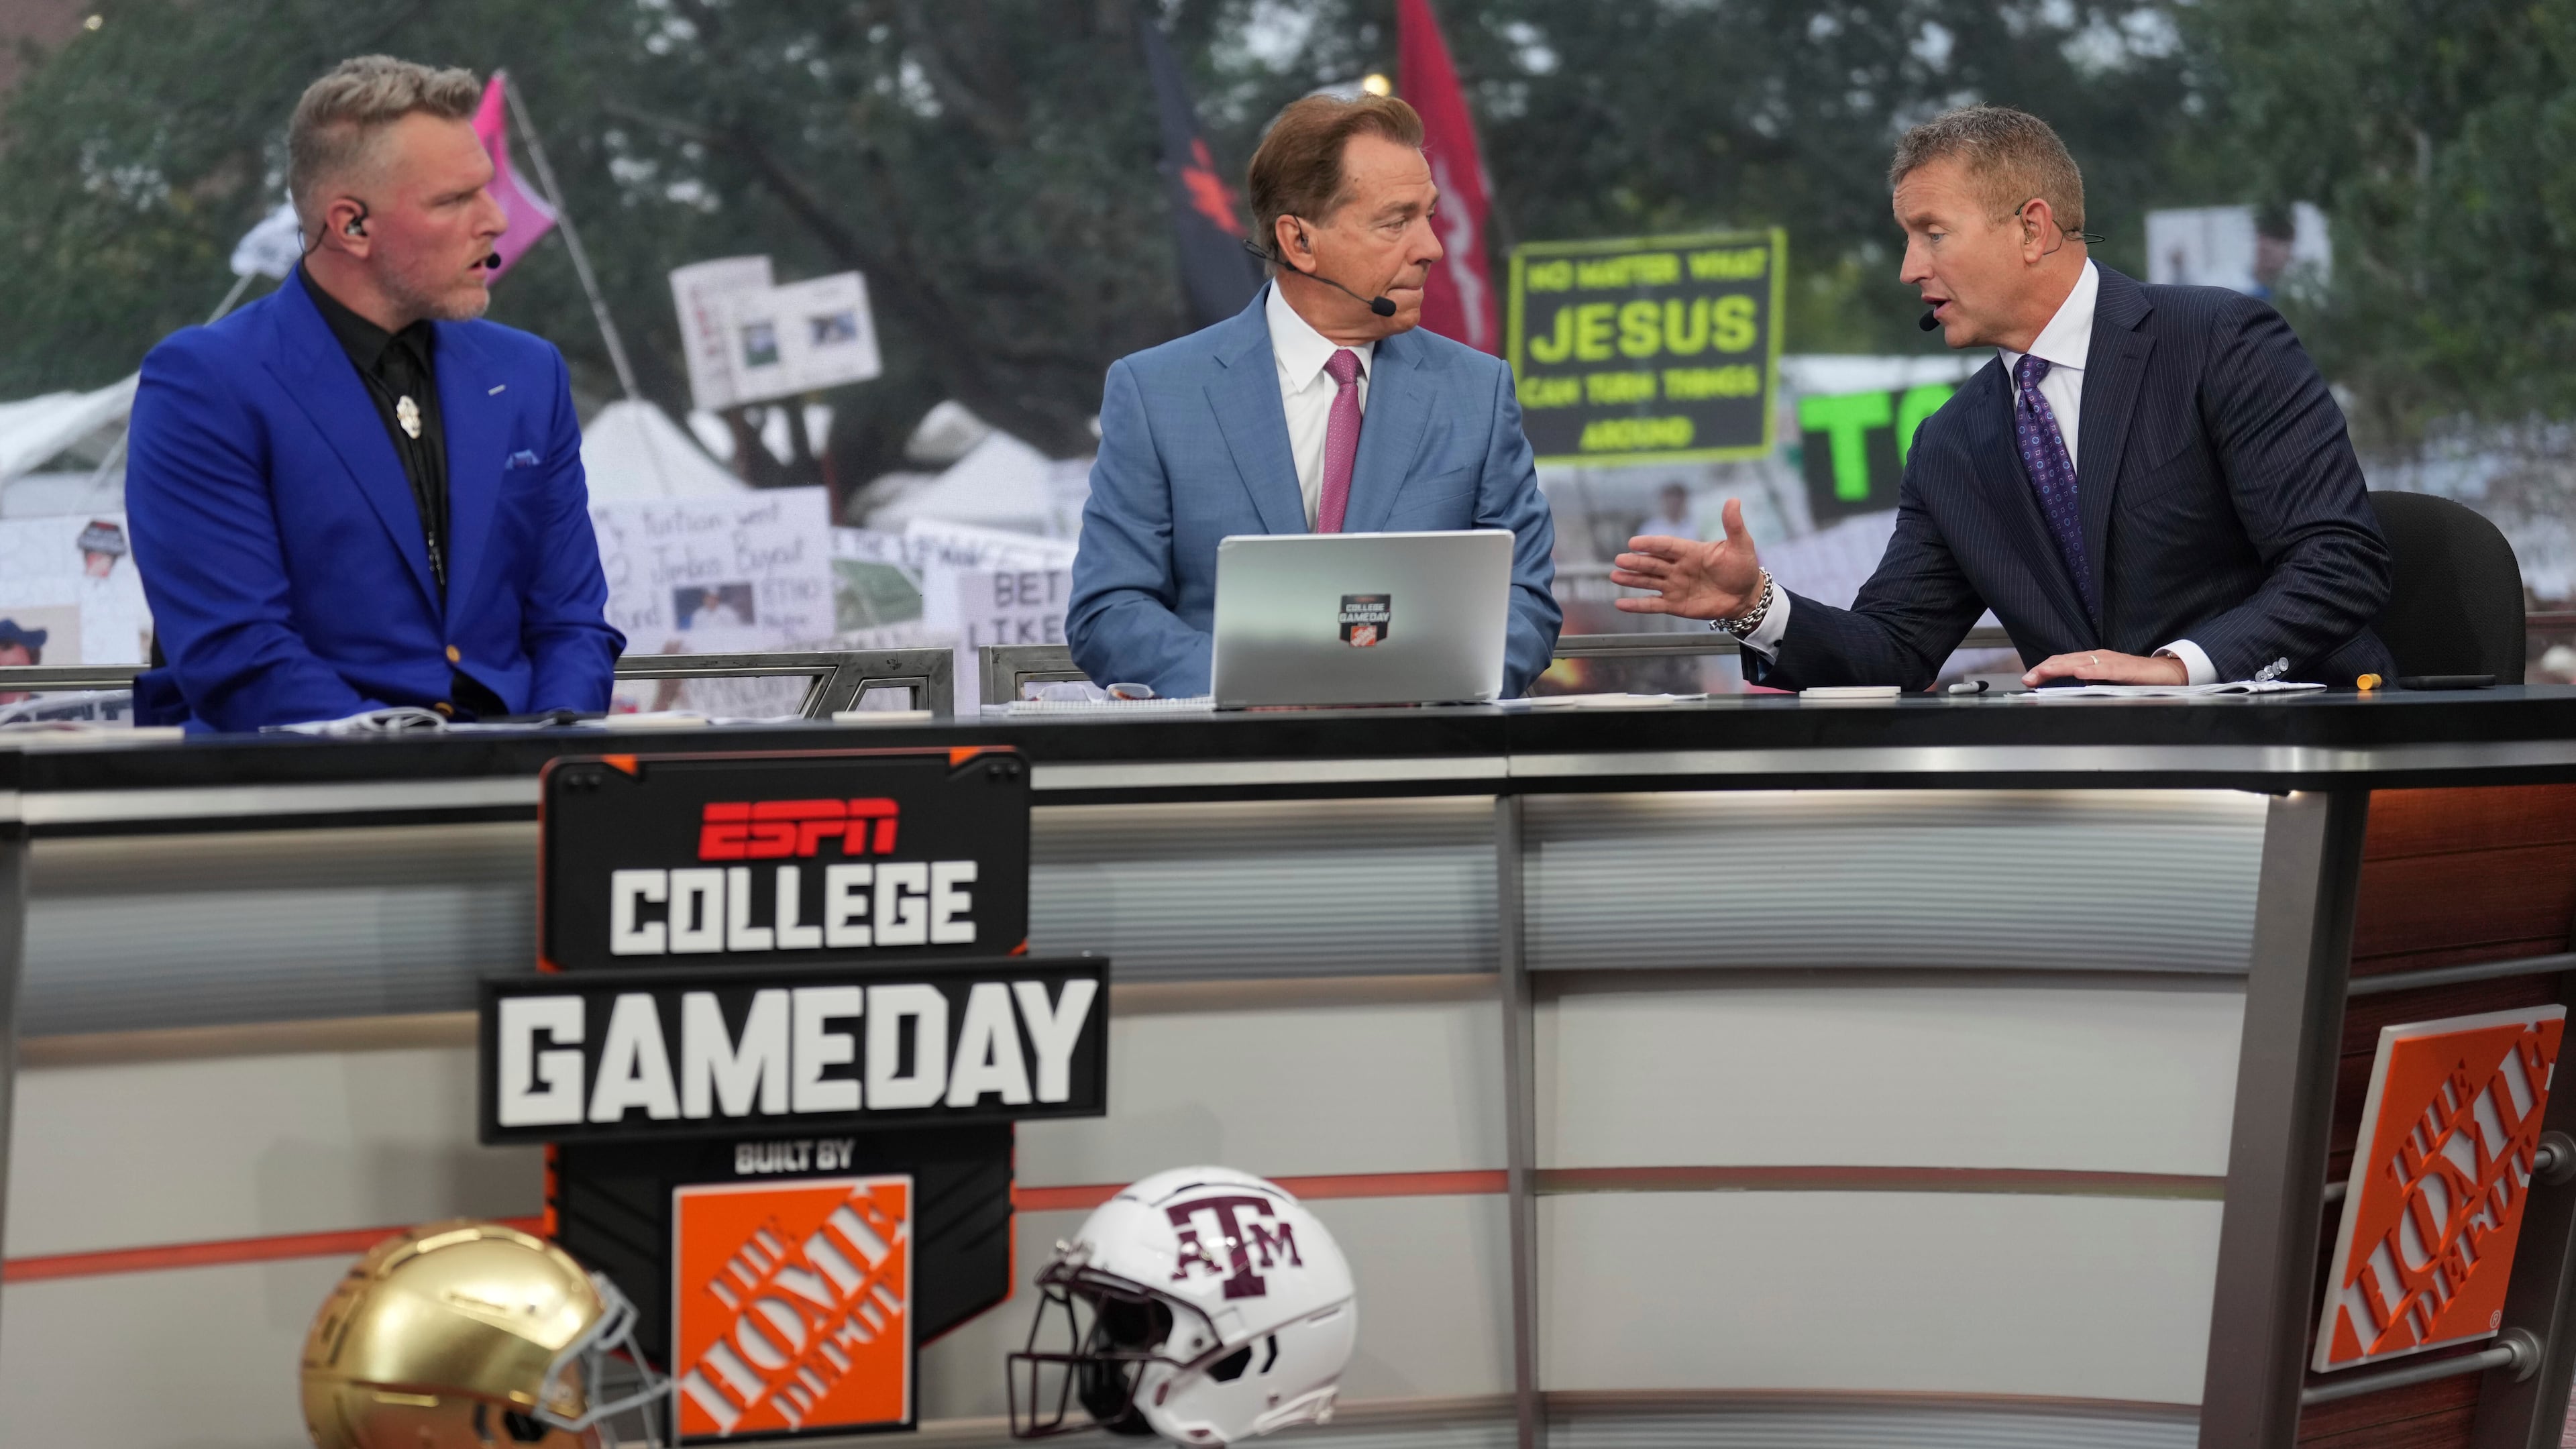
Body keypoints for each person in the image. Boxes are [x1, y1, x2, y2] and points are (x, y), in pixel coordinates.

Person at [1612, 106, 2394, 691]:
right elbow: (1895, 649)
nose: (1909, 269)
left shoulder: (2217, 339)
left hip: (2295, 751)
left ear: (2032, 229)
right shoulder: (1952, 442)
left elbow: (2338, 563)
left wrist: (2178, 669)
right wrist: (1755, 605)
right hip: (2098, 795)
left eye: (1932, 233)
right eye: (1906, 238)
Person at [125, 56, 623, 731]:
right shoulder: (205, 381)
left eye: (487, 188)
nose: (496, 220)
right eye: (454, 200)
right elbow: (237, 653)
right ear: (351, 224)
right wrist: (423, 762)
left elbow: (571, 624)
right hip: (305, 797)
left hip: (519, 781)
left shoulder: (530, 373)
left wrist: (548, 751)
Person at [1069, 94, 1559, 698]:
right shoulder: (1156, 393)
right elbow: (1109, 610)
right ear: (1299, 242)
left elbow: (1526, 604)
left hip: (1423, 765)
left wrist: (1410, 691)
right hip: (1233, 771)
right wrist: (1256, 690)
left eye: (1429, 216)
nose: (1430, 247)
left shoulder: (1477, 393)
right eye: (1396, 221)